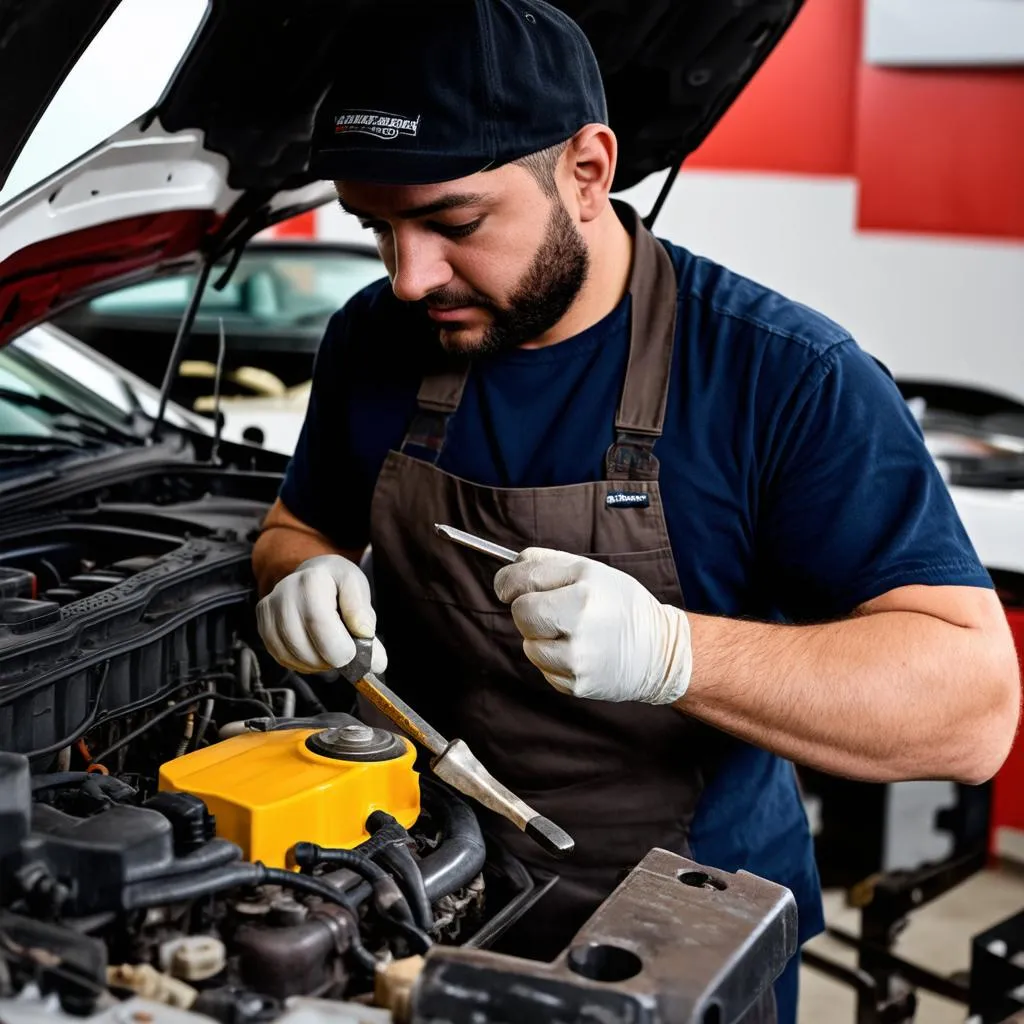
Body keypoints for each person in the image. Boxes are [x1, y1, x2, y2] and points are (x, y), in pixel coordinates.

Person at [252, 1, 1020, 1018]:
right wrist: (298, 574)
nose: (408, 275)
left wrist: (673, 654)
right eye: (376, 226)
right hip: (423, 900)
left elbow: (969, 708)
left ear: (586, 169)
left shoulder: (783, 375)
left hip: (676, 948)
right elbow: (295, 529)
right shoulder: (374, 341)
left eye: (453, 221)